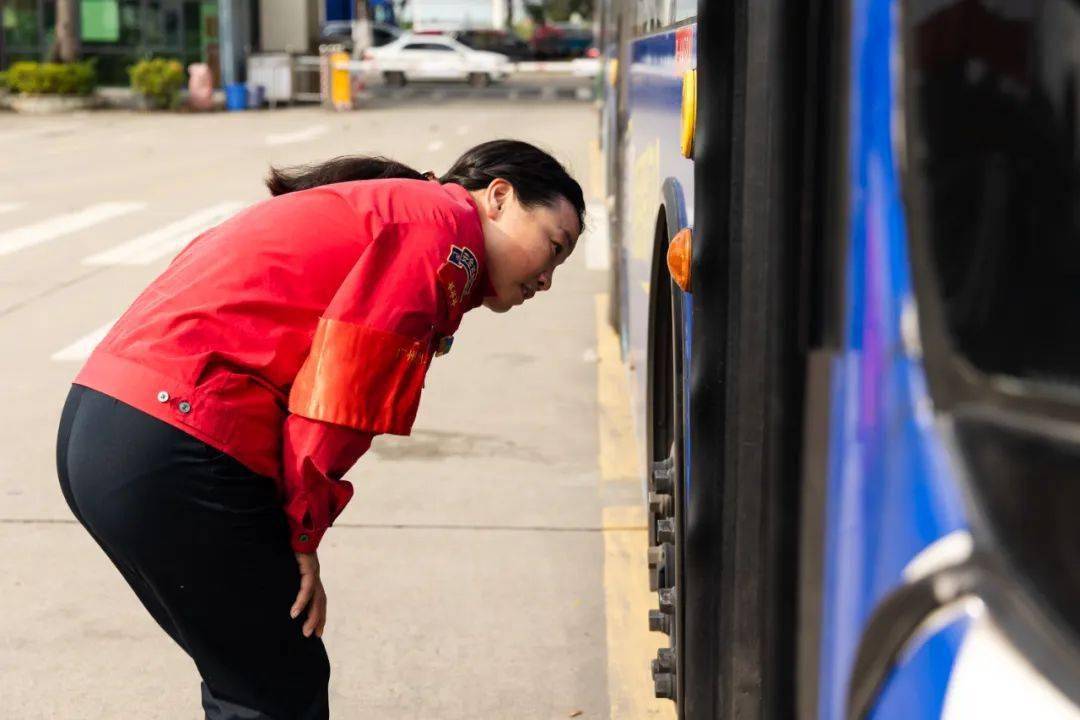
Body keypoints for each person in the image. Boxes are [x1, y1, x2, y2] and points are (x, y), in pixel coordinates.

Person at [55, 139, 585, 719]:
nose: (546, 279)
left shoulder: (392, 206)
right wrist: (301, 537)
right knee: (277, 688)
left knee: (254, 675)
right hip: (175, 439)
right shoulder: (443, 233)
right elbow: (338, 399)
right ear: (500, 198)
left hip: (103, 423)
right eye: (552, 247)